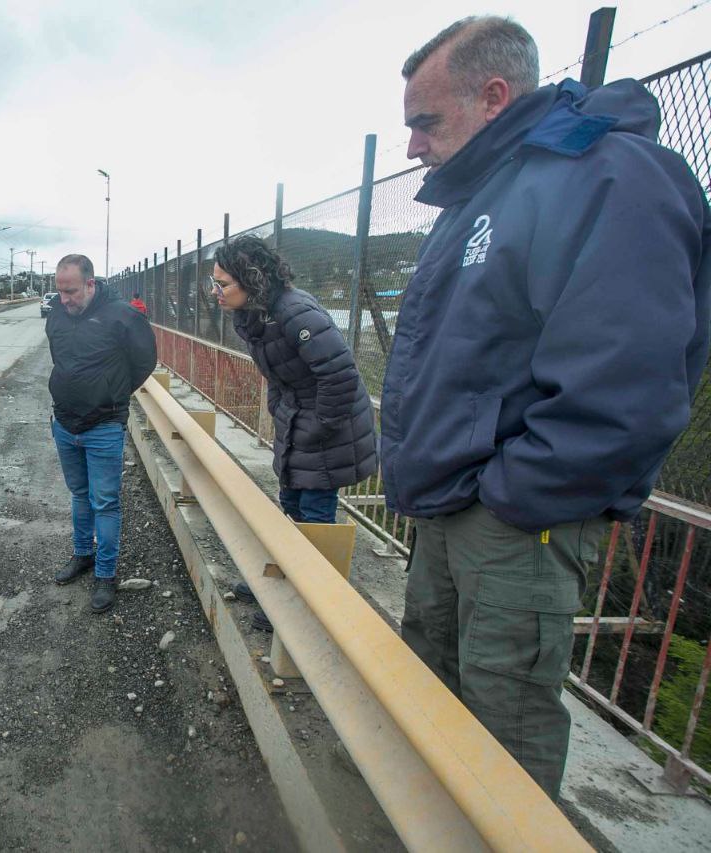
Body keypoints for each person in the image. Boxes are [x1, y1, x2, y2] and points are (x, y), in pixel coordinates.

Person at [383, 16, 710, 798]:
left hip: (512, 518)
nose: (411, 147)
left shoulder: (606, 175)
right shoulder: (481, 198)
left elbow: (624, 380)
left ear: (493, 95)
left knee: (502, 734)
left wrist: (512, 499)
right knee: (431, 698)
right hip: (449, 502)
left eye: (424, 121)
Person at [213, 235, 377, 630]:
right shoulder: (255, 313)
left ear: (251, 279)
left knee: (315, 518)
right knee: (290, 502)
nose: (215, 292)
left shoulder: (295, 313)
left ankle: (307, 605)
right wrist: (281, 412)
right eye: (213, 283)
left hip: (326, 429)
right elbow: (281, 374)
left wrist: (316, 428)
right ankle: (286, 579)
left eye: (223, 284)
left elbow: (340, 376)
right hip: (299, 419)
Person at [46, 254, 157, 612]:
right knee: (79, 495)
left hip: (104, 425)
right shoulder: (58, 314)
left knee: (105, 502)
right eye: (60, 292)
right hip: (64, 422)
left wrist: (113, 392)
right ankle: (83, 555)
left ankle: (106, 575)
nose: (65, 299)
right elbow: (59, 359)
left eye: (72, 291)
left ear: (91, 284)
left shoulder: (123, 315)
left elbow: (144, 361)